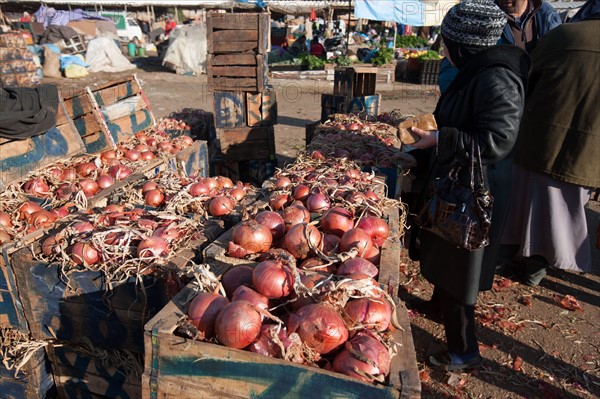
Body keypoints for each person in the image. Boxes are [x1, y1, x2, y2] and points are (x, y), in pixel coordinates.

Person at [408, 0, 530, 371]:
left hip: (478, 193)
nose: (443, 51)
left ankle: (464, 351)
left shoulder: (498, 78)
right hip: (459, 181)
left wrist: (440, 140)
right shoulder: (476, 70)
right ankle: (435, 304)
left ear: (466, 45)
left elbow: (498, 140)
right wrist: (422, 153)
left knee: (461, 269)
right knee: (444, 251)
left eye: (447, 43)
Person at [500, 0, 600, 286]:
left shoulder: (563, 35)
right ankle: (536, 266)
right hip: (589, 149)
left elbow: (527, 78)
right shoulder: (558, 28)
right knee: (566, 208)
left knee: (527, 202)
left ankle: (519, 259)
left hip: (542, 137)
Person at [438, 0, 561, 94]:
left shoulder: (547, 16)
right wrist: (454, 96)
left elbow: (559, 60)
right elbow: (453, 62)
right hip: (494, 97)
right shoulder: (480, 14)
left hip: (538, 99)